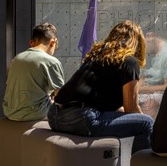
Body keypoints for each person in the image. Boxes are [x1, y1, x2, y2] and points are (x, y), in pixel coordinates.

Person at [48, 20, 153, 154]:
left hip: (54, 116)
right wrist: (144, 119)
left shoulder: (95, 56)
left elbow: (98, 99)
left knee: (132, 117)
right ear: (138, 44)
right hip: (80, 119)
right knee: (147, 123)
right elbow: (131, 108)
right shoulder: (130, 62)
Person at [3, 23, 65, 121]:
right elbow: (61, 96)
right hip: (35, 113)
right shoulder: (51, 61)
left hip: (9, 112)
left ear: (31, 43)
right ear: (53, 42)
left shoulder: (17, 58)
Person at [139, 32, 167, 118]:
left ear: (151, 37)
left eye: (143, 44)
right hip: (145, 90)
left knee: (149, 103)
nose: (142, 48)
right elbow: (142, 76)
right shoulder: (148, 51)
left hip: (161, 92)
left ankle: (149, 129)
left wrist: (144, 89)